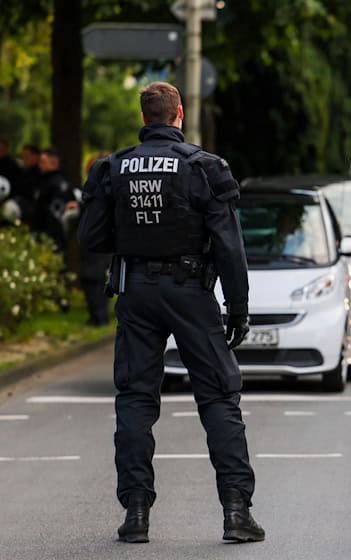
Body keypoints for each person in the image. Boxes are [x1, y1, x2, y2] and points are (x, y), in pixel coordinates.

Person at [77, 81, 264, 544]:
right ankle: (236, 512)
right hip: (190, 292)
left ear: (145, 118)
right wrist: (237, 309)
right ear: (178, 114)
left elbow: (91, 239)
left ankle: (136, 513)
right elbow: (228, 247)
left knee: (136, 400)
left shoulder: (112, 169)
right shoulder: (204, 167)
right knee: (219, 397)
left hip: (136, 293)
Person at [79, 152, 113, 326]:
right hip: (96, 241)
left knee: (96, 278)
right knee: (92, 278)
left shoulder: (105, 189)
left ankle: (100, 318)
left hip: (101, 243)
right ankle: (97, 316)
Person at [32, 148, 75, 251]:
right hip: (41, 234)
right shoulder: (43, 180)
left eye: (43, 162)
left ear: (54, 163)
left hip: (52, 238)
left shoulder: (59, 184)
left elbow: (57, 213)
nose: (39, 165)